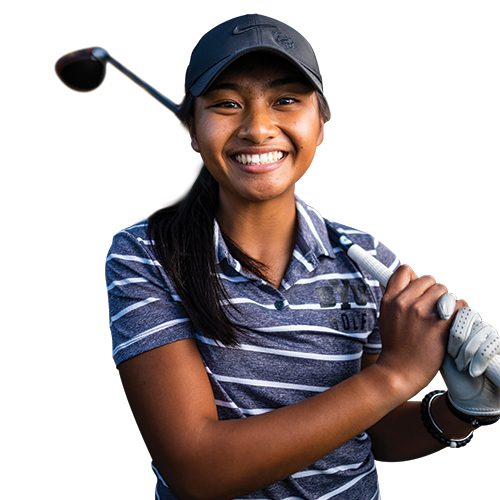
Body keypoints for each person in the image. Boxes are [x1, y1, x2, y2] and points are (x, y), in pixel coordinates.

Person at [105, 13, 500, 499]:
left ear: (320, 124)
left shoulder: (365, 260)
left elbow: (369, 430)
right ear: (193, 127)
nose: (257, 127)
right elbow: (196, 468)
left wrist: (459, 412)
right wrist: (395, 374)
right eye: (227, 103)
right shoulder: (145, 256)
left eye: (286, 101)